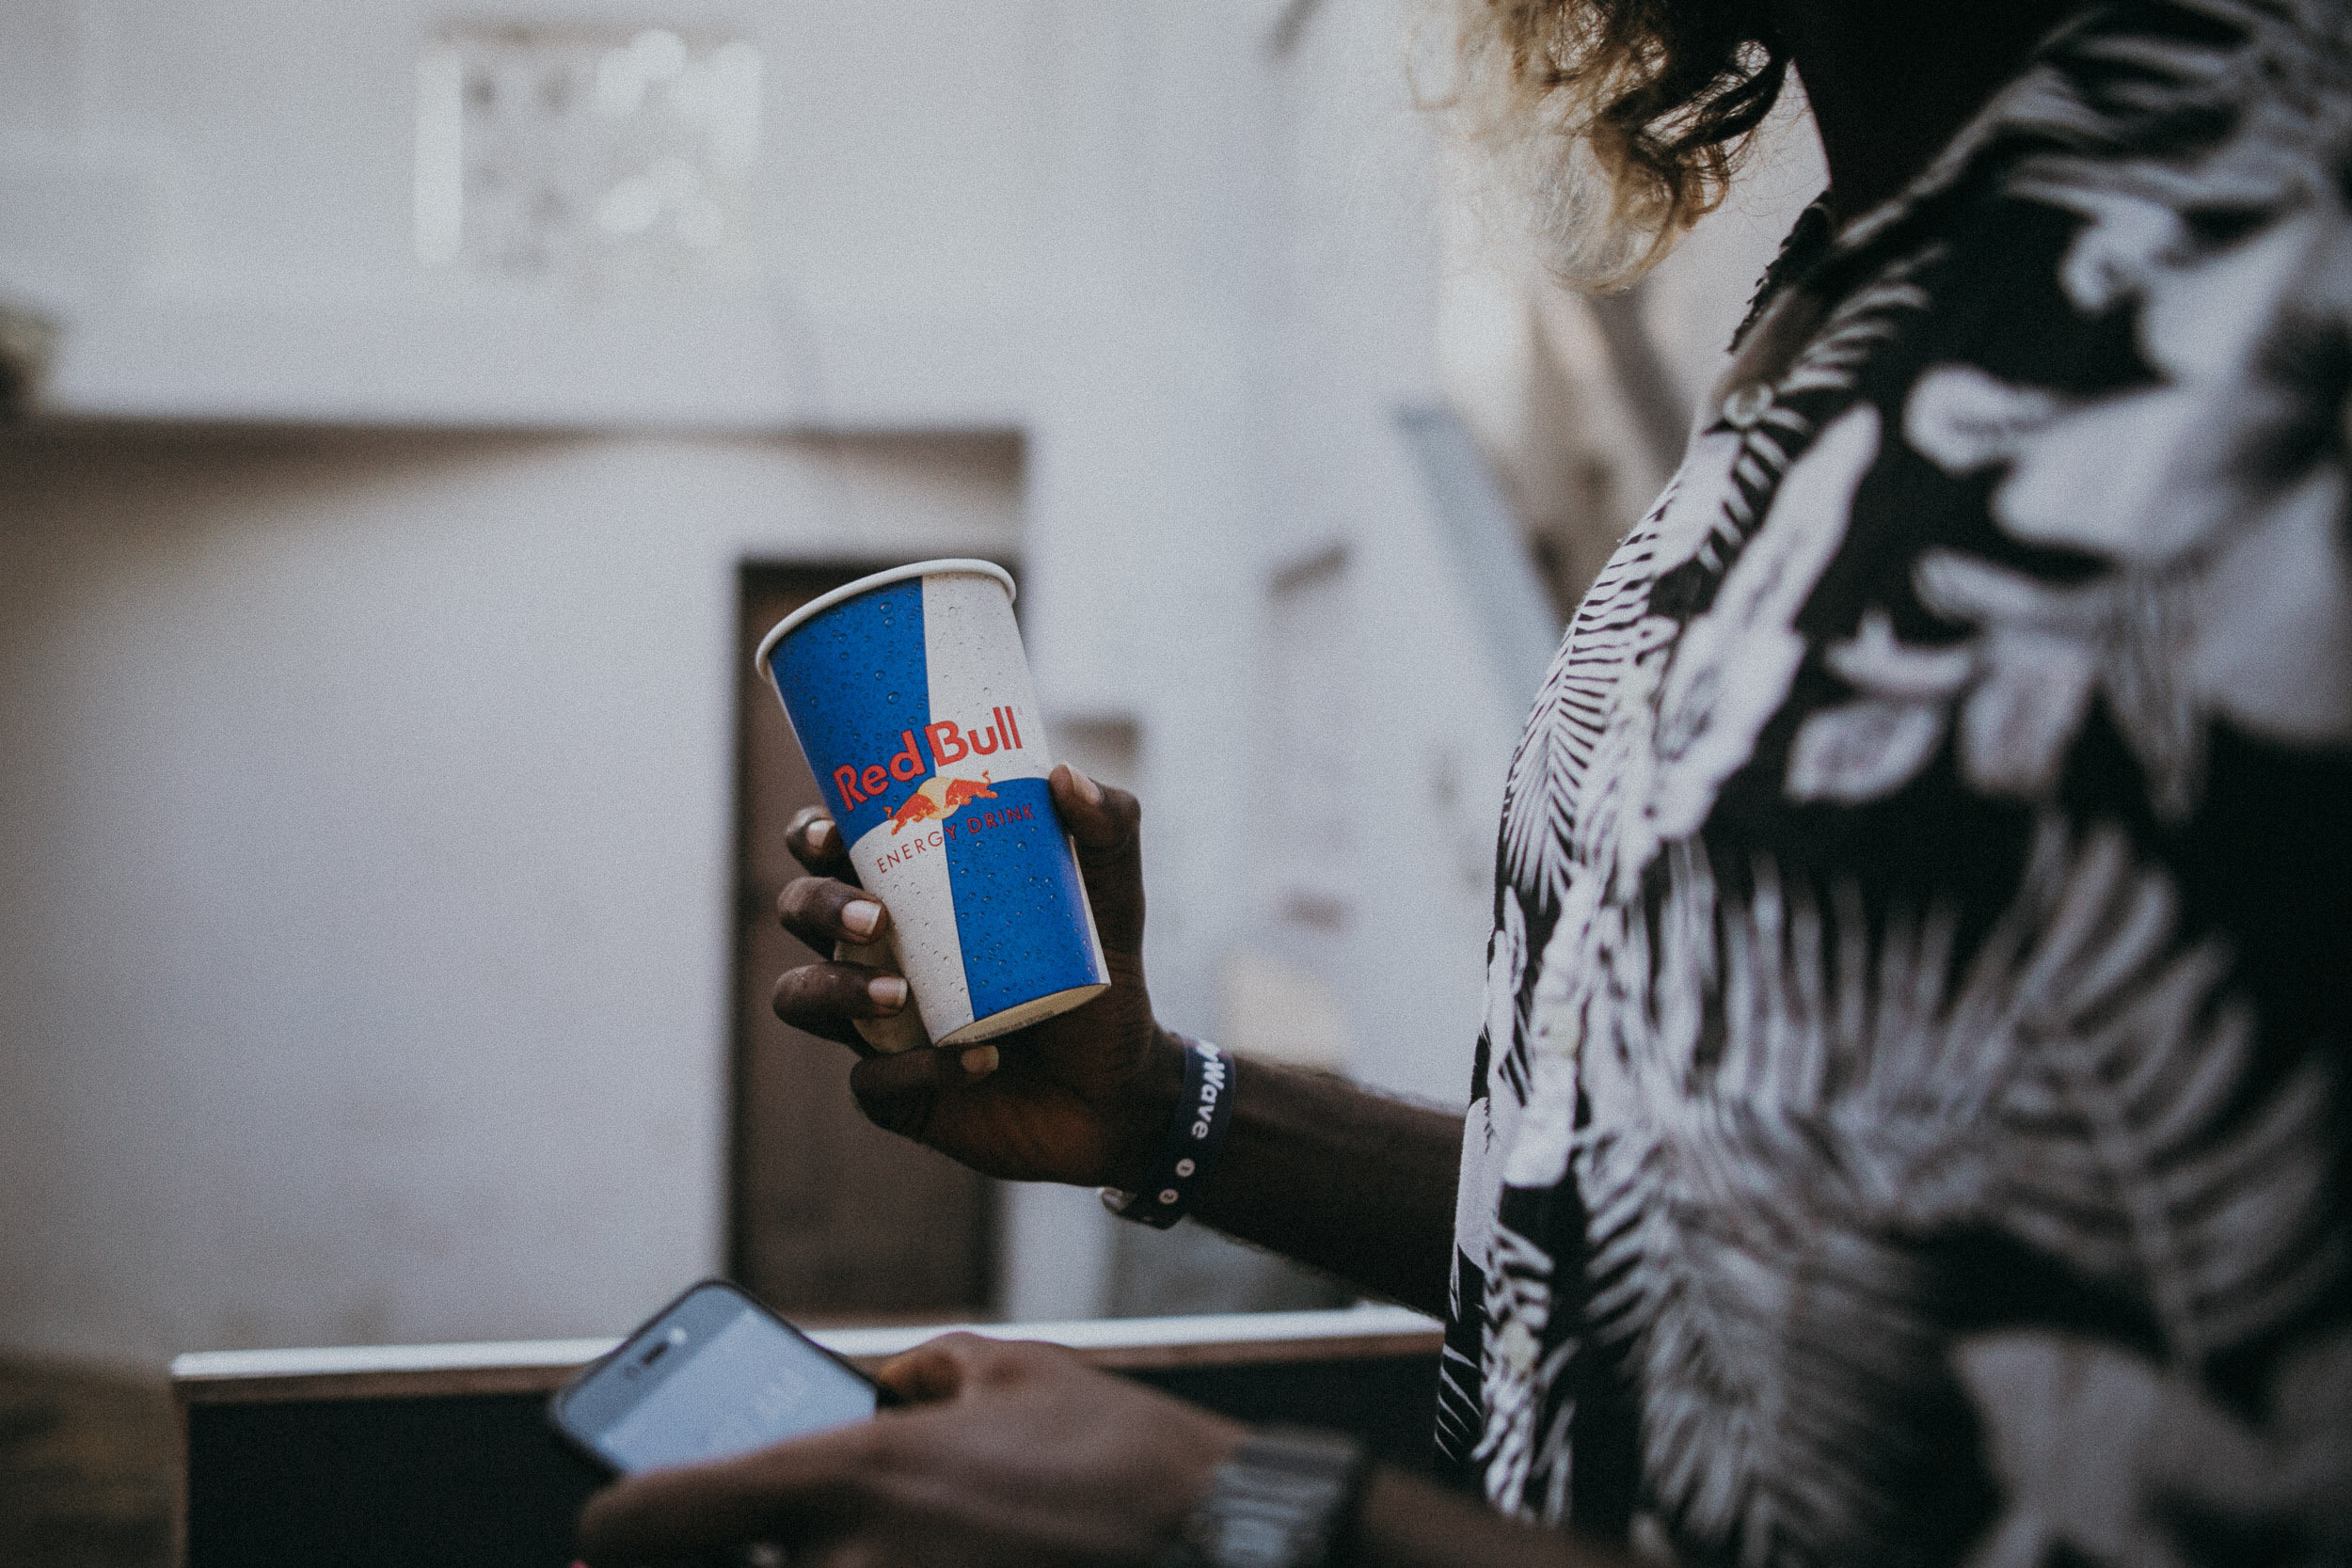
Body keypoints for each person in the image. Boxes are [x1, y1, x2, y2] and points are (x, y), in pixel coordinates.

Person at [582, 0, 2352, 1563]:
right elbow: (1641, 1239)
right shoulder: (1853, 315)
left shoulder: (2285, 297)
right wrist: (1163, 1110)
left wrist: (1239, 1518)